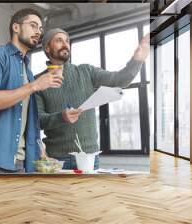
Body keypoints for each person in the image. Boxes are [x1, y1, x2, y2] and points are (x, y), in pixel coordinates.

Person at [0, 9, 63, 174]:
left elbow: (26, 121)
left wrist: (41, 152)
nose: (38, 32)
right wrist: (34, 86)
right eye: (33, 25)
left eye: (41, 29)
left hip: (19, 163)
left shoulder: (27, 72)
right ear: (16, 27)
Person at [35, 28, 150, 170]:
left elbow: (119, 80)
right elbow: (38, 120)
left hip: (89, 157)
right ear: (47, 47)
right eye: (59, 40)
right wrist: (61, 117)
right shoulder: (38, 82)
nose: (65, 44)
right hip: (58, 159)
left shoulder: (86, 71)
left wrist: (137, 59)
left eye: (67, 41)